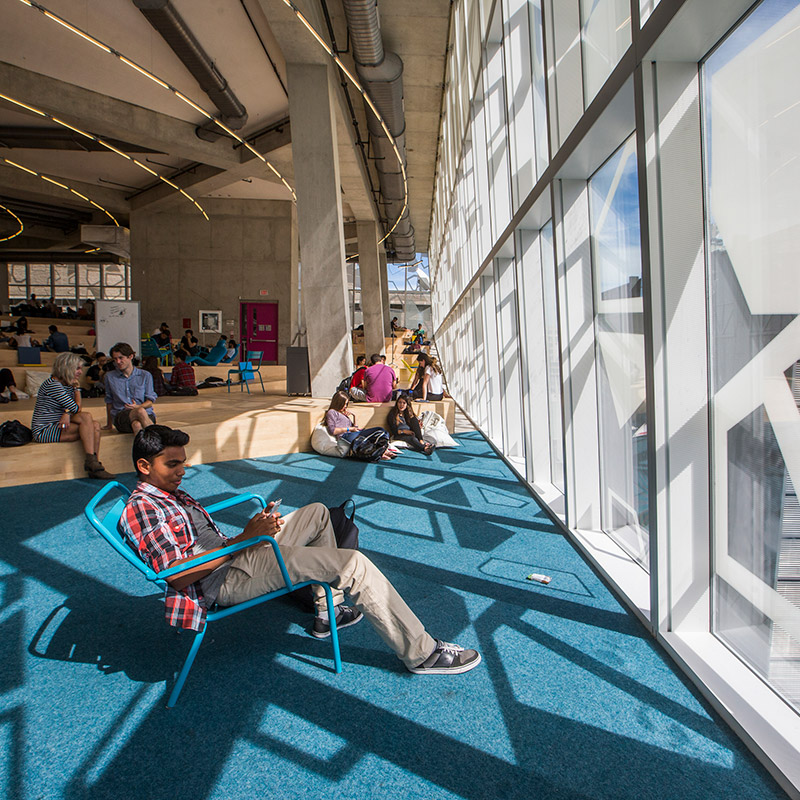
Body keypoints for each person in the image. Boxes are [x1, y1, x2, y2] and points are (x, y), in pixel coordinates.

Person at [120, 425, 480, 674]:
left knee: (319, 514)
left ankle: (328, 612)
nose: (183, 470)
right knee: (352, 564)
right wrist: (245, 539)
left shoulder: (166, 493)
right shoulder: (144, 508)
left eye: (183, 461)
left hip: (236, 555)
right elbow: (179, 576)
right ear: (144, 466)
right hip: (225, 579)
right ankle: (421, 652)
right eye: (173, 464)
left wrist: (253, 534)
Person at [30, 352, 114, 479]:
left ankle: (94, 463)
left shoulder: (66, 384)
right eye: (78, 368)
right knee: (86, 418)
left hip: (59, 424)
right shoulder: (53, 385)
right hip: (44, 430)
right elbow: (76, 408)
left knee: (95, 425)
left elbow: (73, 409)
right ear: (66, 368)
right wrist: (76, 391)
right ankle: (92, 464)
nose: (80, 372)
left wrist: (66, 412)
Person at [324, 390, 394, 461]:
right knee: (380, 430)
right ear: (338, 403)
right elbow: (332, 431)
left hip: (352, 434)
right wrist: (350, 429)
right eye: (344, 404)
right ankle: (382, 452)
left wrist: (354, 417)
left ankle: (381, 452)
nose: (345, 407)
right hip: (345, 437)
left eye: (346, 404)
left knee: (384, 432)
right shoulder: (332, 412)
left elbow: (355, 428)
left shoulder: (343, 414)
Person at [104, 342, 157, 434]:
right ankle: (157, 439)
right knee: (139, 412)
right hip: (121, 415)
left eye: (121, 358)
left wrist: (138, 406)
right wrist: (109, 424)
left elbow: (150, 401)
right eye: (115, 359)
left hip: (146, 414)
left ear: (130, 357)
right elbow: (109, 401)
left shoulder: (145, 375)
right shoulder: (109, 377)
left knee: (137, 425)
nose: (118, 362)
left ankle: (144, 447)